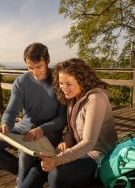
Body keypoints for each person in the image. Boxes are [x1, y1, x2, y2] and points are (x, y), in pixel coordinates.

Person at [0, 42, 67, 188]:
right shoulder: (21, 81)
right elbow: (11, 110)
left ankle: (24, 181)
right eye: (30, 68)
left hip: (49, 131)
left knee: (25, 151)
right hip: (24, 125)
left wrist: (42, 129)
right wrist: (6, 123)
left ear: (47, 60)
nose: (35, 72)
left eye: (39, 67)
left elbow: (62, 118)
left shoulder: (59, 81)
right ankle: (21, 174)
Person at [33, 58, 118, 188]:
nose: (63, 88)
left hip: (100, 156)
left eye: (68, 84)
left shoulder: (95, 98)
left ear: (82, 81)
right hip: (81, 151)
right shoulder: (73, 98)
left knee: (56, 174)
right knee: (39, 166)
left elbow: (89, 142)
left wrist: (59, 159)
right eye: (61, 83)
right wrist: (67, 141)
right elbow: (72, 127)